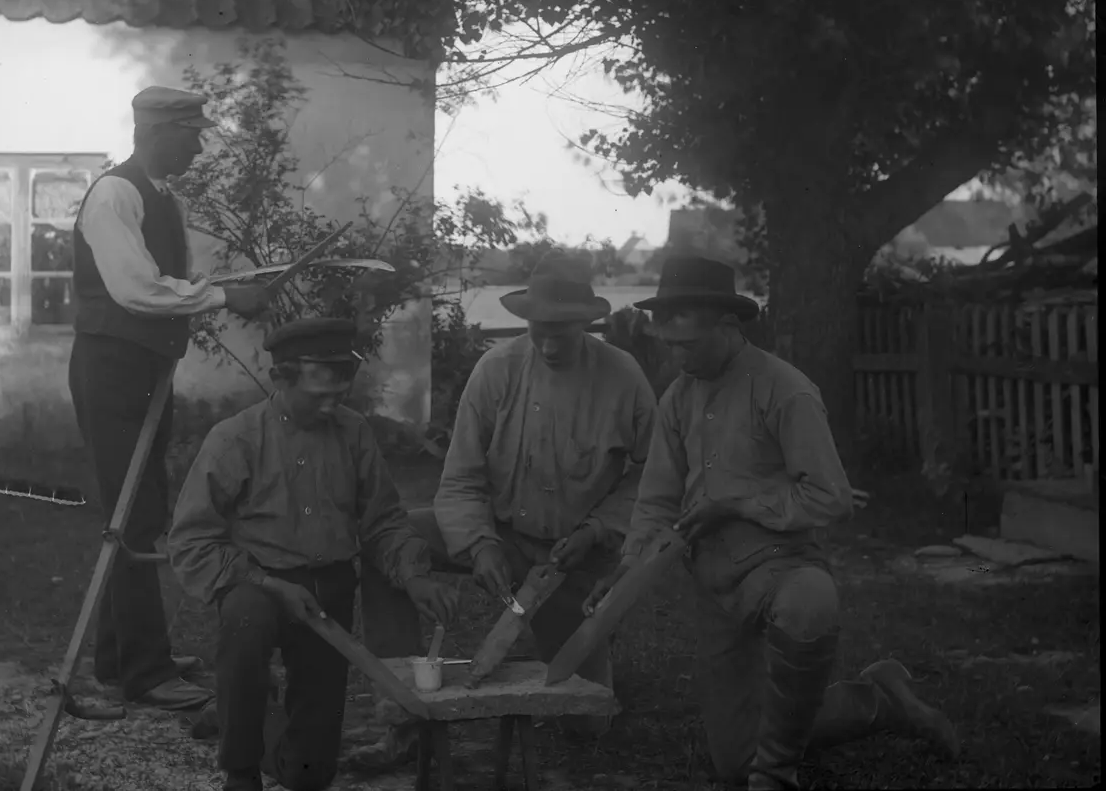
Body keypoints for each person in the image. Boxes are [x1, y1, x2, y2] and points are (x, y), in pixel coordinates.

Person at [582, 255, 961, 790]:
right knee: (734, 760)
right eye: (669, 345)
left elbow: (830, 498)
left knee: (811, 604)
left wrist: (736, 503)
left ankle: (777, 774)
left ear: (727, 325)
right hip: (716, 587)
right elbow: (657, 501)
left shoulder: (785, 389)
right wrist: (625, 568)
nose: (677, 357)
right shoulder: (678, 398)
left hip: (781, 567)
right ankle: (881, 701)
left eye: (688, 345)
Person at [351, 250, 658, 769]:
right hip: (501, 531)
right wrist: (479, 544)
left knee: (586, 721)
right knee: (392, 543)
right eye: (539, 328)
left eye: (561, 330)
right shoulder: (497, 369)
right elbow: (461, 477)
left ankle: (586, 652)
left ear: (586, 322)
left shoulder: (623, 377)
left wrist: (598, 529)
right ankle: (400, 713)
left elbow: (653, 479)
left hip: (571, 560)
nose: (548, 343)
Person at [167, 318, 460, 791]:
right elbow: (191, 539)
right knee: (246, 621)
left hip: (328, 594)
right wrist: (267, 583)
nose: (331, 407)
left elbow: (383, 521)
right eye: (319, 396)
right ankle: (240, 769)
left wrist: (415, 575)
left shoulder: (354, 432)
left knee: (310, 775)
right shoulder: (235, 439)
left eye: (340, 394)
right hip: (257, 585)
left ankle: (237, 715)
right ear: (280, 378)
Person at [68, 86, 269, 711]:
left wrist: (229, 286)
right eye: (192, 135)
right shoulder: (115, 194)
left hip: (145, 369)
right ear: (157, 133)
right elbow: (137, 291)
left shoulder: (161, 197)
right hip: (111, 370)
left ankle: (118, 658)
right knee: (133, 516)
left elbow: (167, 284)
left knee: (139, 510)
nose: (200, 148)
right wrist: (224, 298)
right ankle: (146, 672)